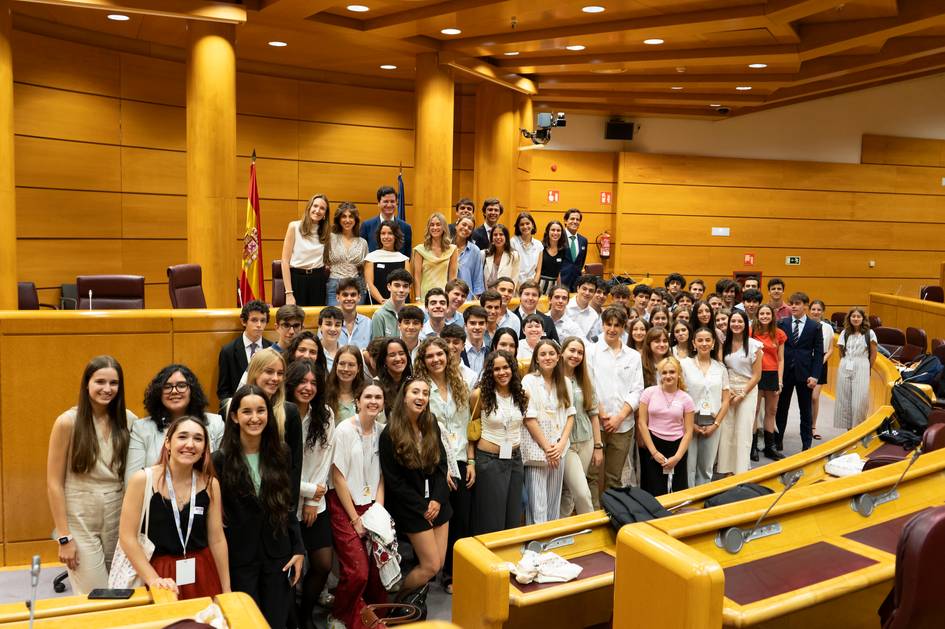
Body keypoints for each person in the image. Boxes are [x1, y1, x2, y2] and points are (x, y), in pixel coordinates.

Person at [215, 385, 304, 628]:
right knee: (247, 623)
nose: (255, 418)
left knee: (276, 622)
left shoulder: (281, 453)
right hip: (240, 557)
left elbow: (286, 504)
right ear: (234, 416)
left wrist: (298, 548)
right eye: (247, 412)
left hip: (278, 553)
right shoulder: (219, 460)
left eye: (261, 411)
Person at [47, 356, 135, 594]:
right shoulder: (67, 422)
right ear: (87, 384)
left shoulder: (128, 419)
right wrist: (64, 538)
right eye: (100, 382)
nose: (107, 389)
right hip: (80, 513)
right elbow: (54, 483)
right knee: (93, 594)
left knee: (117, 589)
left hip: (117, 511)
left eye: (114, 383)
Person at [118, 416, 229, 599]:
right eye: (183, 437)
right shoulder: (143, 480)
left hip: (200, 572)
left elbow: (217, 540)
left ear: (204, 449)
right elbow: (127, 537)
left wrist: (226, 589)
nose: (190, 444)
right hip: (157, 574)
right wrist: (154, 580)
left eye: (198, 439)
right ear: (168, 443)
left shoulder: (210, 484)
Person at [379, 378, 452, 605]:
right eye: (415, 392)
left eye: (425, 393)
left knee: (437, 565)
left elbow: (442, 465)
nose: (421, 397)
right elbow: (394, 482)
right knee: (430, 565)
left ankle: (412, 604)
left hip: (437, 502)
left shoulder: (430, 422)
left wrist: (438, 500)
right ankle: (397, 605)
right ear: (405, 396)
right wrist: (422, 507)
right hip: (411, 508)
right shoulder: (390, 432)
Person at [413, 337, 473, 594]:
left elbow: (466, 425)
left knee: (462, 519)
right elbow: (426, 431)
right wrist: (445, 466)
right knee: (439, 518)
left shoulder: (458, 383)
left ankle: (454, 572)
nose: (436, 359)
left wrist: (470, 460)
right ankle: (431, 573)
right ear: (423, 360)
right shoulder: (420, 388)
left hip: (461, 457)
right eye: (430, 356)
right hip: (437, 463)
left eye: (440, 354)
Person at [328, 384, 387, 629]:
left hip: (373, 506)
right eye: (368, 397)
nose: (373, 401)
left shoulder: (383, 432)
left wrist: (377, 513)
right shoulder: (344, 430)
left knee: (376, 569)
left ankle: (369, 612)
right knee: (358, 570)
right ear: (358, 401)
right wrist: (355, 519)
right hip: (345, 506)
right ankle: (340, 613)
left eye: (378, 397)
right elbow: (338, 476)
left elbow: (383, 476)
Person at [285, 360, 335, 627]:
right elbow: (283, 466)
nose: (308, 387)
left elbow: (326, 458)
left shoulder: (324, 413)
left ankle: (305, 616)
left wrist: (314, 499)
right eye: (302, 382)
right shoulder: (280, 413)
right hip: (288, 501)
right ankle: (291, 618)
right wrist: (306, 491)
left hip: (316, 502)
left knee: (323, 563)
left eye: (313, 383)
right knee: (290, 567)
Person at [126, 365, 225, 484]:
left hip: (203, 497)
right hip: (155, 498)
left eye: (182, 386)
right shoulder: (141, 428)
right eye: (167, 387)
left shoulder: (215, 423)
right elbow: (132, 481)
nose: (174, 391)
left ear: (192, 390)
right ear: (159, 392)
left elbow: (222, 474)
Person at [587, 307, 644, 500]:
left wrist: (619, 417)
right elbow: (589, 384)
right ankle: (593, 515)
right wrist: (601, 412)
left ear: (623, 328)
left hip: (623, 424)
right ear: (602, 325)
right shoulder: (591, 351)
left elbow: (637, 390)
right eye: (608, 324)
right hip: (597, 423)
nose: (612, 329)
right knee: (592, 475)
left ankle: (613, 512)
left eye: (617, 325)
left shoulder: (633, 356)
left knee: (614, 476)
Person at [470, 350, 527, 534]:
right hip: (489, 461)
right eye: (496, 369)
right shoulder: (480, 395)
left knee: (513, 517)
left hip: (515, 460)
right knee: (491, 520)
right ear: (490, 372)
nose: (502, 372)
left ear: (513, 369)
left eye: (506, 367)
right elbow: (471, 432)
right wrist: (471, 461)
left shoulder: (523, 395)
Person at [521, 340, 575, 524]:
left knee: (554, 501)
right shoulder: (529, 381)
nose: (547, 357)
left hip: (559, 449)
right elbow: (529, 418)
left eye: (551, 353)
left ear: (558, 356)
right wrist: (547, 448)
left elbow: (570, 415)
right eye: (543, 354)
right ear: (536, 358)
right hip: (539, 449)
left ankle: (551, 544)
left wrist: (559, 446)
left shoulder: (566, 382)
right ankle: (537, 545)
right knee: (538, 504)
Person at [242, 349, 304, 494]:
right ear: (255, 372)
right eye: (269, 372)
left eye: (280, 373)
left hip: (278, 500)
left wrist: (289, 509)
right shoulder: (237, 408)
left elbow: (295, 467)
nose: (275, 378)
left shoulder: (290, 412)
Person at [637, 357, 694, 496]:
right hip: (653, 445)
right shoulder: (648, 393)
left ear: (679, 374)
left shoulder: (686, 399)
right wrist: (654, 453)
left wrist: (678, 457)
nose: (668, 376)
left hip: (677, 447)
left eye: (672, 372)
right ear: (660, 374)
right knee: (653, 488)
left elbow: (689, 431)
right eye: (664, 372)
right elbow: (642, 423)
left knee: (677, 487)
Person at [775, 292, 824, 452]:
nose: (794, 306)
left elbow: (818, 353)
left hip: (805, 374)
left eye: (797, 304)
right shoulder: (782, 323)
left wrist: (815, 375)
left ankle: (806, 444)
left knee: (806, 411)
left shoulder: (815, 326)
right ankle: (778, 440)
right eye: (792, 303)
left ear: (805, 306)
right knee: (781, 409)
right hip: (786, 373)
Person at [681, 328, 731, 486]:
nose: (704, 343)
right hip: (689, 421)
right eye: (700, 340)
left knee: (706, 467)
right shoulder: (684, 365)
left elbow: (726, 400)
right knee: (688, 465)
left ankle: (701, 500)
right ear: (693, 343)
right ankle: (687, 501)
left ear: (713, 343)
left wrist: (716, 425)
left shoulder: (720, 368)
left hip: (712, 422)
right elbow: (679, 396)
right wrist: (690, 424)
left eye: (708, 340)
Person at [718, 310, 763, 476]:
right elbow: (722, 369)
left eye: (740, 322)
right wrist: (728, 391)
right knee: (727, 430)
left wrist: (742, 394)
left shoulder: (754, 346)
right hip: (728, 391)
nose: (736, 324)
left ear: (746, 324)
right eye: (733, 321)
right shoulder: (724, 344)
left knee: (743, 430)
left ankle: (740, 471)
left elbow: (757, 375)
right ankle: (726, 469)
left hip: (747, 391)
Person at [559, 337, 601, 514]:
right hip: (565, 443)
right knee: (583, 493)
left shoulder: (584, 379)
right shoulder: (554, 378)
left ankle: (561, 529)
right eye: (572, 350)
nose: (575, 355)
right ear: (562, 352)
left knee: (570, 492)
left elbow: (593, 414)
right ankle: (591, 527)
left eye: (580, 352)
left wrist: (598, 446)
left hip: (586, 441)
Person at [217, 300, 273, 403]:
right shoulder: (228, 351)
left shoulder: (271, 349)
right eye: (254, 320)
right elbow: (223, 391)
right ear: (243, 321)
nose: (259, 325)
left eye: (263, 320)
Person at [282, 193, 331, 307]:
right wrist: (289, 293)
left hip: (318, 280)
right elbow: (285, 261)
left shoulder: (326, 232)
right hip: (297, 279)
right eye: (315, 206)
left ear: (325, 214)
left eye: (322, 208)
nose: (318, 210)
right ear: (309, 207)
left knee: (316, 318)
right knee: (296, 318)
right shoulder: (294, 227)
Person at [752, 304, 787, 461]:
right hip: (757, 374)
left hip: (773, 375)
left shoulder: (779, 334)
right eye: (762, 313)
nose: (765, 316)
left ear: (772, 316)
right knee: (755, 411)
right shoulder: (751, 331)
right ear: (758, 315)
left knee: (771, 411)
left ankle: (769, 447)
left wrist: (780, 380)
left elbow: (781, 360)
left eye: (768, 313)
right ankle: (752, 447)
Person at [833, 308, 877, 430]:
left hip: (862, 364)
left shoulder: (870, 333)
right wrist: (845, 362)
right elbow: (841, 351)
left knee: (859, 401)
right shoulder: (845, 333)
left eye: (858, 316)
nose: (856, 319)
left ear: (863, 319)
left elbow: (873, 353)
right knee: (844, 399)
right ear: (849, 318)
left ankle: (858, 429)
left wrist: (867, 368)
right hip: (845, 364)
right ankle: (848, 431)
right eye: (853, 316)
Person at [326, 202, 369, 307]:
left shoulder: (362, 242)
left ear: (355, 220)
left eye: (351, 217)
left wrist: (365, 288)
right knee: (335, 318)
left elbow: (365, 269)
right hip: (335, 285)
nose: (347, 220)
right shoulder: (330, 238)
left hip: (356, 285)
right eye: (344, 216)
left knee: (355, 319)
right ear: (338, 219)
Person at [413, 212, 458, 300]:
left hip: (444, 294)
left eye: (438, 225)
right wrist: (417, 298)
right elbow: (417, 277)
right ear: (428, 228)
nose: (435, 228)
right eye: (432, 225)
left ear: (444, 227)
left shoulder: (452, 249)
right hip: (425, 295)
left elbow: (452, 277)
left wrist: (450, 296)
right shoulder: (420, 250)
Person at [364, 220, 410, 305]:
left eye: (390, 233)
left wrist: (396, 302)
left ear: (396, 236)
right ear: (379, 236)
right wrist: (382, 301)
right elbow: (369, 284)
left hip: (399, 304)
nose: (386, 236)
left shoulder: (404, 259)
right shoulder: (371, 257)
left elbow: (407, 284)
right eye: (383, 233)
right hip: (377, 303)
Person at [809, 299, 835, 440]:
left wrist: (820, 361)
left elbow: (831, 349)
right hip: (807, 362)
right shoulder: (806, 325)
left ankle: (813, 427)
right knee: (805, 396)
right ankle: (806, 425)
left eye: (819, 310)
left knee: (814, 397)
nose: (816, 312)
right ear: (809, 310)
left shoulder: (827, 327)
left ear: (823, 312)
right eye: (813, 309)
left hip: (821, 362)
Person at [360, 185, 412, 256]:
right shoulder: (367, 226)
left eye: (392, 201)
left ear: (396, 203)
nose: (389, 205)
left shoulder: (406, 227)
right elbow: (363, 253)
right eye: (386, 201)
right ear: (378, 203)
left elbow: (407, 255)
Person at [326, 345, 371, 424]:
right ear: (336, 365)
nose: (346, 369)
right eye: (342, 364)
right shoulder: (324, 393)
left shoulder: (366, 395)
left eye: (351, 365)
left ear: (359, 368)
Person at [370, 268, 413, 339]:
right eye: (397, 285)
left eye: (405, 286)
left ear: (410, 289)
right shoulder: (379, 315)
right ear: (389, 287)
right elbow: (377, 347)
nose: (401, 290)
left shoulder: (412, 314)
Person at [374, 337, 412, 414]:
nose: (398, 359)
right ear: (384, 360)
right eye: (392, 355)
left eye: (401, 353)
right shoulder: (376, 385)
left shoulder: (411, 382)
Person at [336, 277, 372, 349]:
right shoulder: (329, 324)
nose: (349, 298)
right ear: (337, 298)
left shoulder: (368, 323)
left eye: (353, 295)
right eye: (345, 295)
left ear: (359, 298)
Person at [442, 324, 480, 390]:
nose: (450, 346)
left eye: (456, 342)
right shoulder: (434, 370)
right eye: (447, 342)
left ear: (463, 346)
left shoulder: (472, 376)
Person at [453, 216, 484, 298]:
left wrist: (476, 299)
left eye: (470, 228)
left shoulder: (475, 250)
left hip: (466, 298)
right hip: (447, 297)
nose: (466, 228)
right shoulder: (446, 247)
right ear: (456, 225)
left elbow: (478, 278)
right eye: (463, 224)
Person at [482, 224, 520, 291]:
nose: (498, 237)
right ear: (491, 238)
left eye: (501, 234)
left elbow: (514, 279)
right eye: (495, 235)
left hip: (505, 295)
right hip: (486, 295)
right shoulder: (484, 254)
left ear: (506, 237)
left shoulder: (514, 255)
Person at [510, 211, 543, 287]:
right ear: (518, 227)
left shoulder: (539, 244)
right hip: (516, 285)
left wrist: (533, 286)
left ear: (533, 225)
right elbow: (511, 268)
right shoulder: (513, 242)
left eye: (527, 223)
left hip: (532, 285)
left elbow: (538, 271)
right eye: (522, 224)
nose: (525, 226)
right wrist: (518, 287)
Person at [566, 275, 601, 341]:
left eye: (591, 291)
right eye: (584, 289)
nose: (587, 293)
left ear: (594, 293)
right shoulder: (565, 307)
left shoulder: (594, 315)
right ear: (578, 288)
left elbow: (591, 340)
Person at [560, 208, 588, 291]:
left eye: (577, 219)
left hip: (576, 284)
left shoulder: (583, 241)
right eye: (572, 219)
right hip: (560, 282)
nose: (575, 221)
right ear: (565, 221)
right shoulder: (559, 237)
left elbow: (581, 262)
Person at [539, 220, 567, 295]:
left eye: (558, 230)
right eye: (553, 230)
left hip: (554, 287)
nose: (555, 233)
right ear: (548, 231)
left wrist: (559, 287)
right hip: (539, 284)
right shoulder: (540, 247)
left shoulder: (563, 250)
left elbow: (558, 272)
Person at [318, 306, 344, 371]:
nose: (333, 329)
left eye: (337, 325)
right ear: (320, 326)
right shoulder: (314, 351)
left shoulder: (345, 352)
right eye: (328, 324)